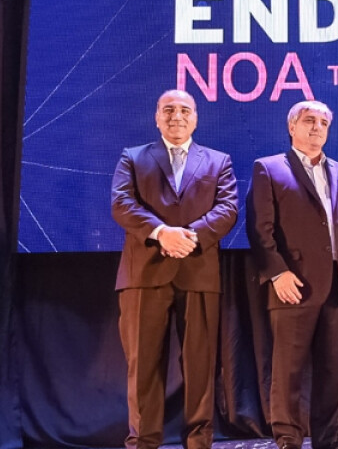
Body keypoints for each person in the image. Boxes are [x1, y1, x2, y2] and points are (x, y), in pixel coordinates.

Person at [111, 89, 239, 449]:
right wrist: (162, 233)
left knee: (200, 366)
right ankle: (143, 442)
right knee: (143, 367)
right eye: (168, 110)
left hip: (199, 272)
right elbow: (121, 203)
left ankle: (198, 442)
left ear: (196, 118)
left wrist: (189, 237)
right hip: (143, 275)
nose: (177, 116)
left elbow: (228, 209)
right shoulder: (133, 157)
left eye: (185, 110)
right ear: (157, 117)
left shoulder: (218, 161)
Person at [246, 100, 338, 449]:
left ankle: (328, 440)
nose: (317, 128)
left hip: (337, 284)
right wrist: (277, 273)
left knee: (332, 371)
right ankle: (288, 439)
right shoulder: (268, 168)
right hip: (292, 283)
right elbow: (259, 229)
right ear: (291, 126)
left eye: (323, 123)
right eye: (309, 121)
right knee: (288, 369)